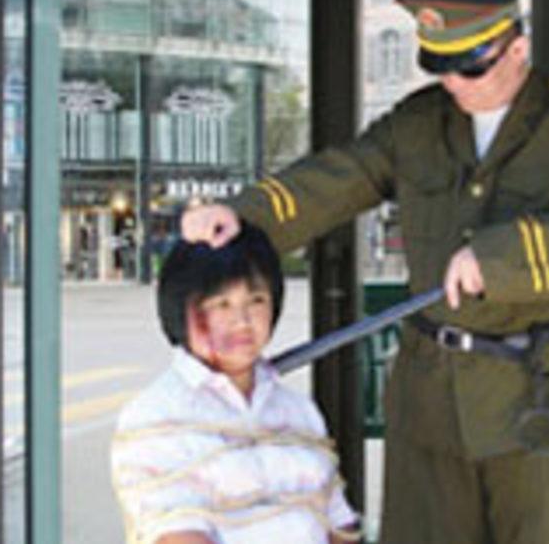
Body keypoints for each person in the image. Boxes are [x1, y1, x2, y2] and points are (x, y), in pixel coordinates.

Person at [180, 0, 549, 544]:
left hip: (542, 398)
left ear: (517, 49)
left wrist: (499, 259)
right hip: (432, 400)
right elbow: (342, 176)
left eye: (469, 68)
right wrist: (243, 215)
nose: (453, 84)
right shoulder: (419, 122)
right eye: (440, 67)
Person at [110, 225, 361, 544]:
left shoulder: (299, 410)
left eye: (256, 300)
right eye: (222, 304)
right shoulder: (154, 417)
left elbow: (340, 524)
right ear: (182, 310)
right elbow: (178, 535)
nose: (242, 321)